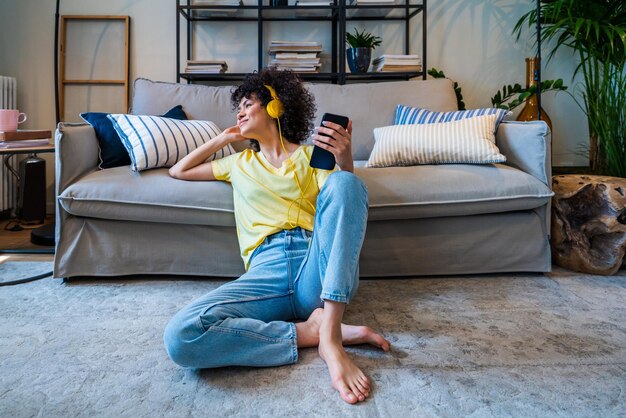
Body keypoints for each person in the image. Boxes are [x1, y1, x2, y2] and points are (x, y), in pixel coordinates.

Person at [163, 67, 390, 405]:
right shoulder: (238, 163)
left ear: (275, 106)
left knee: (347, 182)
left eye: (247, 104)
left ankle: (330, 334)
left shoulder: (312, 158)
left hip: (316, 267)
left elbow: (341, 205)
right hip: (264, 272)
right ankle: (310, 332)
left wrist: (343, 158)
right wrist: (225, 138)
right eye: (237, 106)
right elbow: (177, 171)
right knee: (181, 336)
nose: (239, 111)